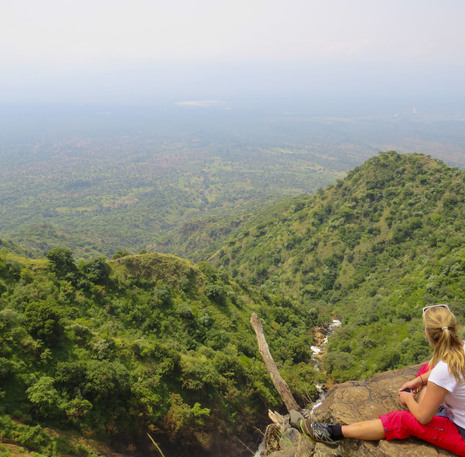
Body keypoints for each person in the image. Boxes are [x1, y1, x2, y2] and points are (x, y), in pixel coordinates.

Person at [291, 304, 465, 456]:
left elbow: (423, 417)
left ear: (427, 334)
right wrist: (419, 380)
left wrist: (408, 399)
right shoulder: (461, 348)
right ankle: (428, 400)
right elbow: (443, 373)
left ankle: (333, 433)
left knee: (401, 420)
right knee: (427, 370)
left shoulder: (443, 370)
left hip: (461, 433)